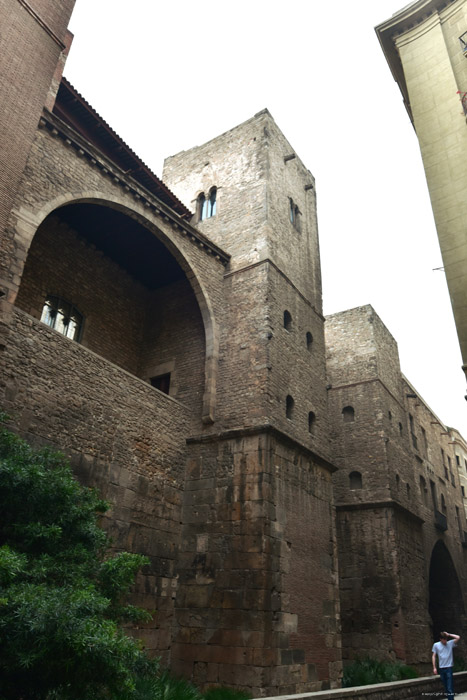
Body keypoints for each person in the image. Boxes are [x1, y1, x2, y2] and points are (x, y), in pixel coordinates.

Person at [432, 630, 460, 700]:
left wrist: (449, 634)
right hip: (441, 668)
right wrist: (434, 667)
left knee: (449, 687)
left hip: (449, 668)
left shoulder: (450, 643)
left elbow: (458, 637)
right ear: (440, 639)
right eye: (444, 639)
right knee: (446, 687)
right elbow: (433, 656)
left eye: (446, 639)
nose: (445, 641)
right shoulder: (436, 645)